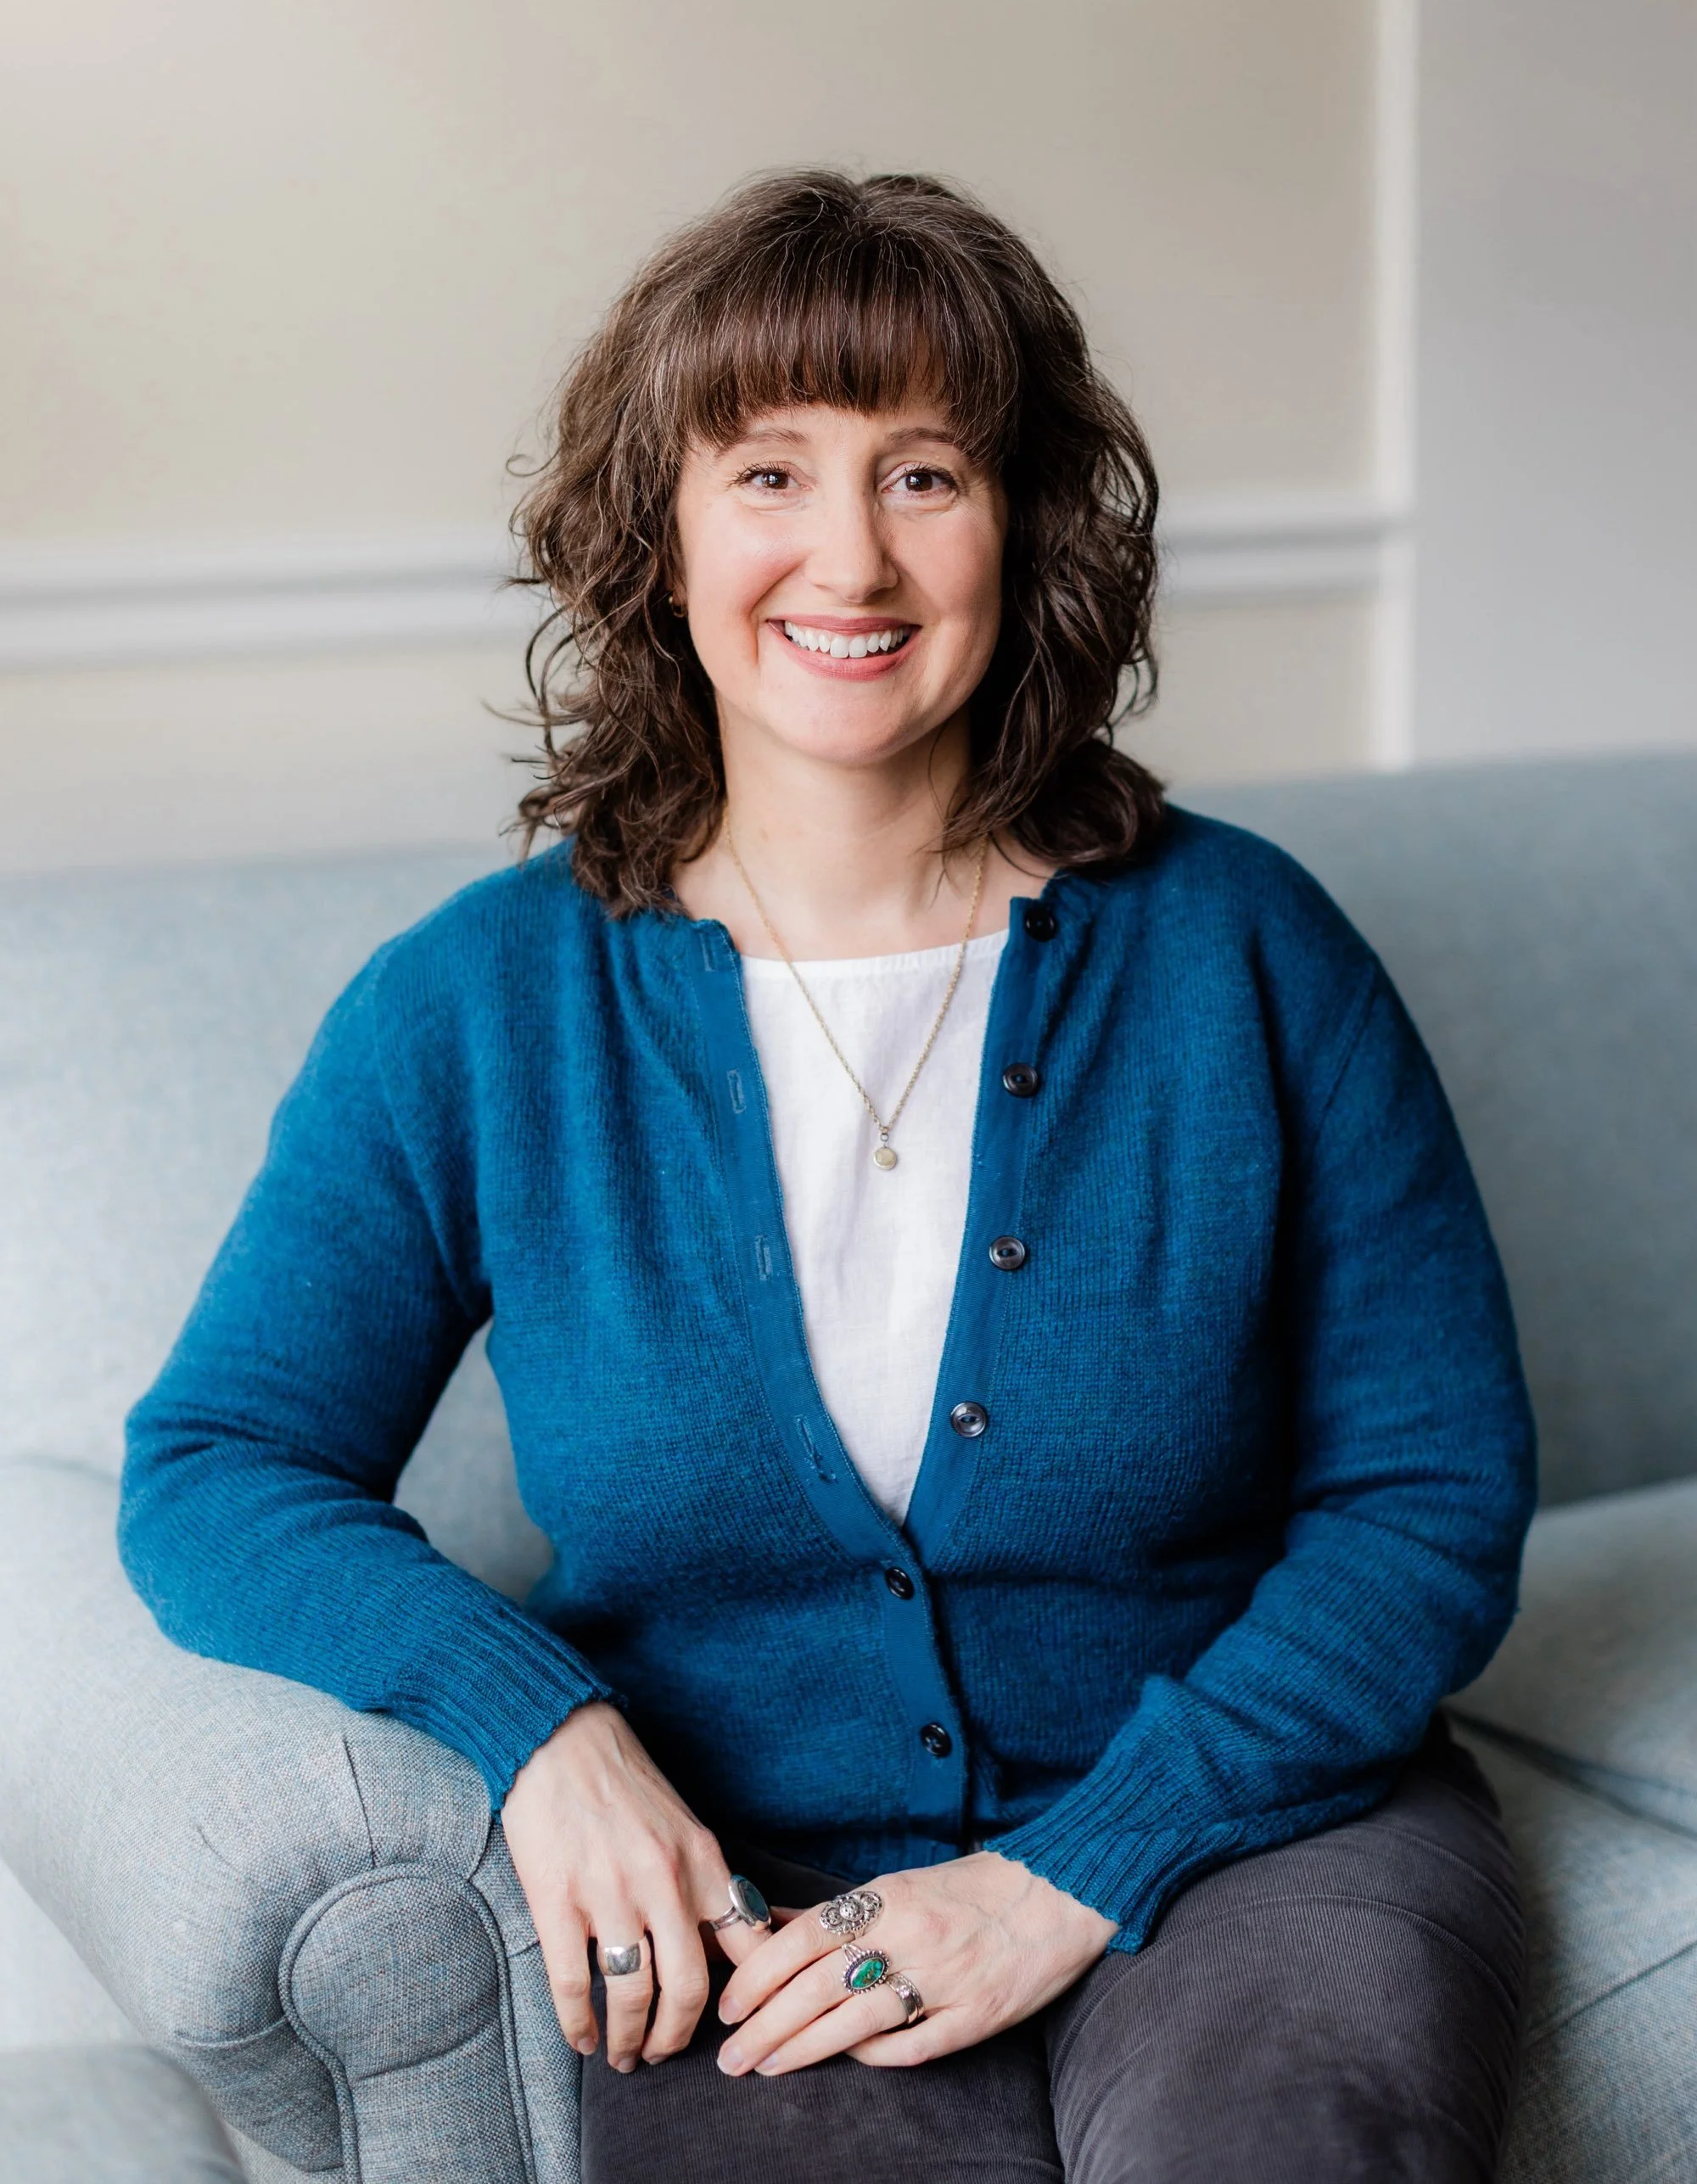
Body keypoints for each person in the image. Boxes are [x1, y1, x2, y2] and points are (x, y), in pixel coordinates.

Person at [120, 170, 1534, 2181]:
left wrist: (1078, 1865)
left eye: (925, 475)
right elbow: (219, 1465)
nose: (847, 557)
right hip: (753, 1884)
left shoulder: (1250, 954)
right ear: (663, 531)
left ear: (1023, 525)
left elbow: (1428, 1497)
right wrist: (541, 1727)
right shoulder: (478, 1008)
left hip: (1247, 1822)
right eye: (768, 472)